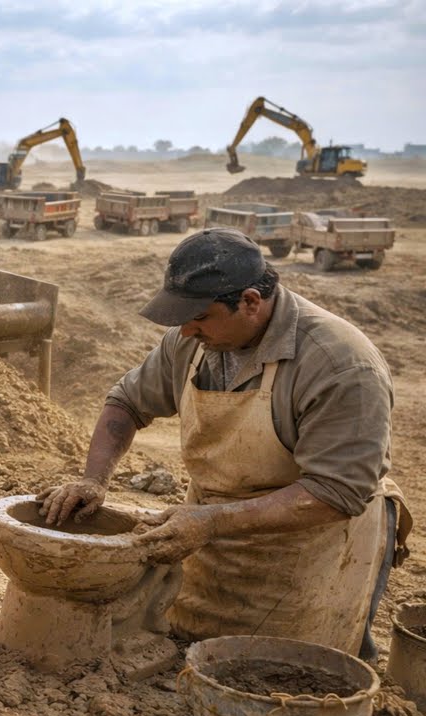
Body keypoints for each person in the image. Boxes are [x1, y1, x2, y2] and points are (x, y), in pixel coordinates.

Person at [39, 228, 412, 660]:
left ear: (250, 302)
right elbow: (125, 404)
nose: (185, 330)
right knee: (196, 648)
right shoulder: (193, 341)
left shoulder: (340, 365)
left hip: (315, 545)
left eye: (198, 317)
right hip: (215, 527)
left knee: (292, 672)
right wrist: (94, 480)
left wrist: (212, 521)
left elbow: (336, 491)